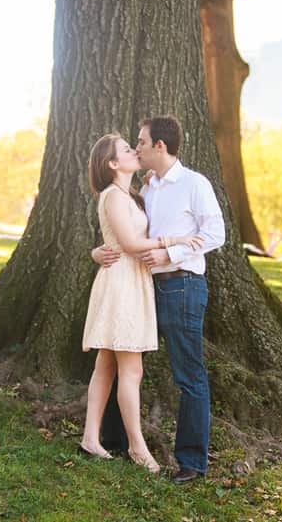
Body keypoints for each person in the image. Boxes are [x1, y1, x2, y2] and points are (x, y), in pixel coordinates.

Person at [92, 115, 225, 484]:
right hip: (142, 288)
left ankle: (191, 461)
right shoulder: (146, 188)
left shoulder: (194, 184)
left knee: (188, 375)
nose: (137, 147)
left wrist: (171, 255)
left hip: (182, 286)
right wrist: (97, 252)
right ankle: (115, 440)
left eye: (141, 142)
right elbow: (125, 233)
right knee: (126, 362)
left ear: (160, 147)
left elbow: (216, 233)